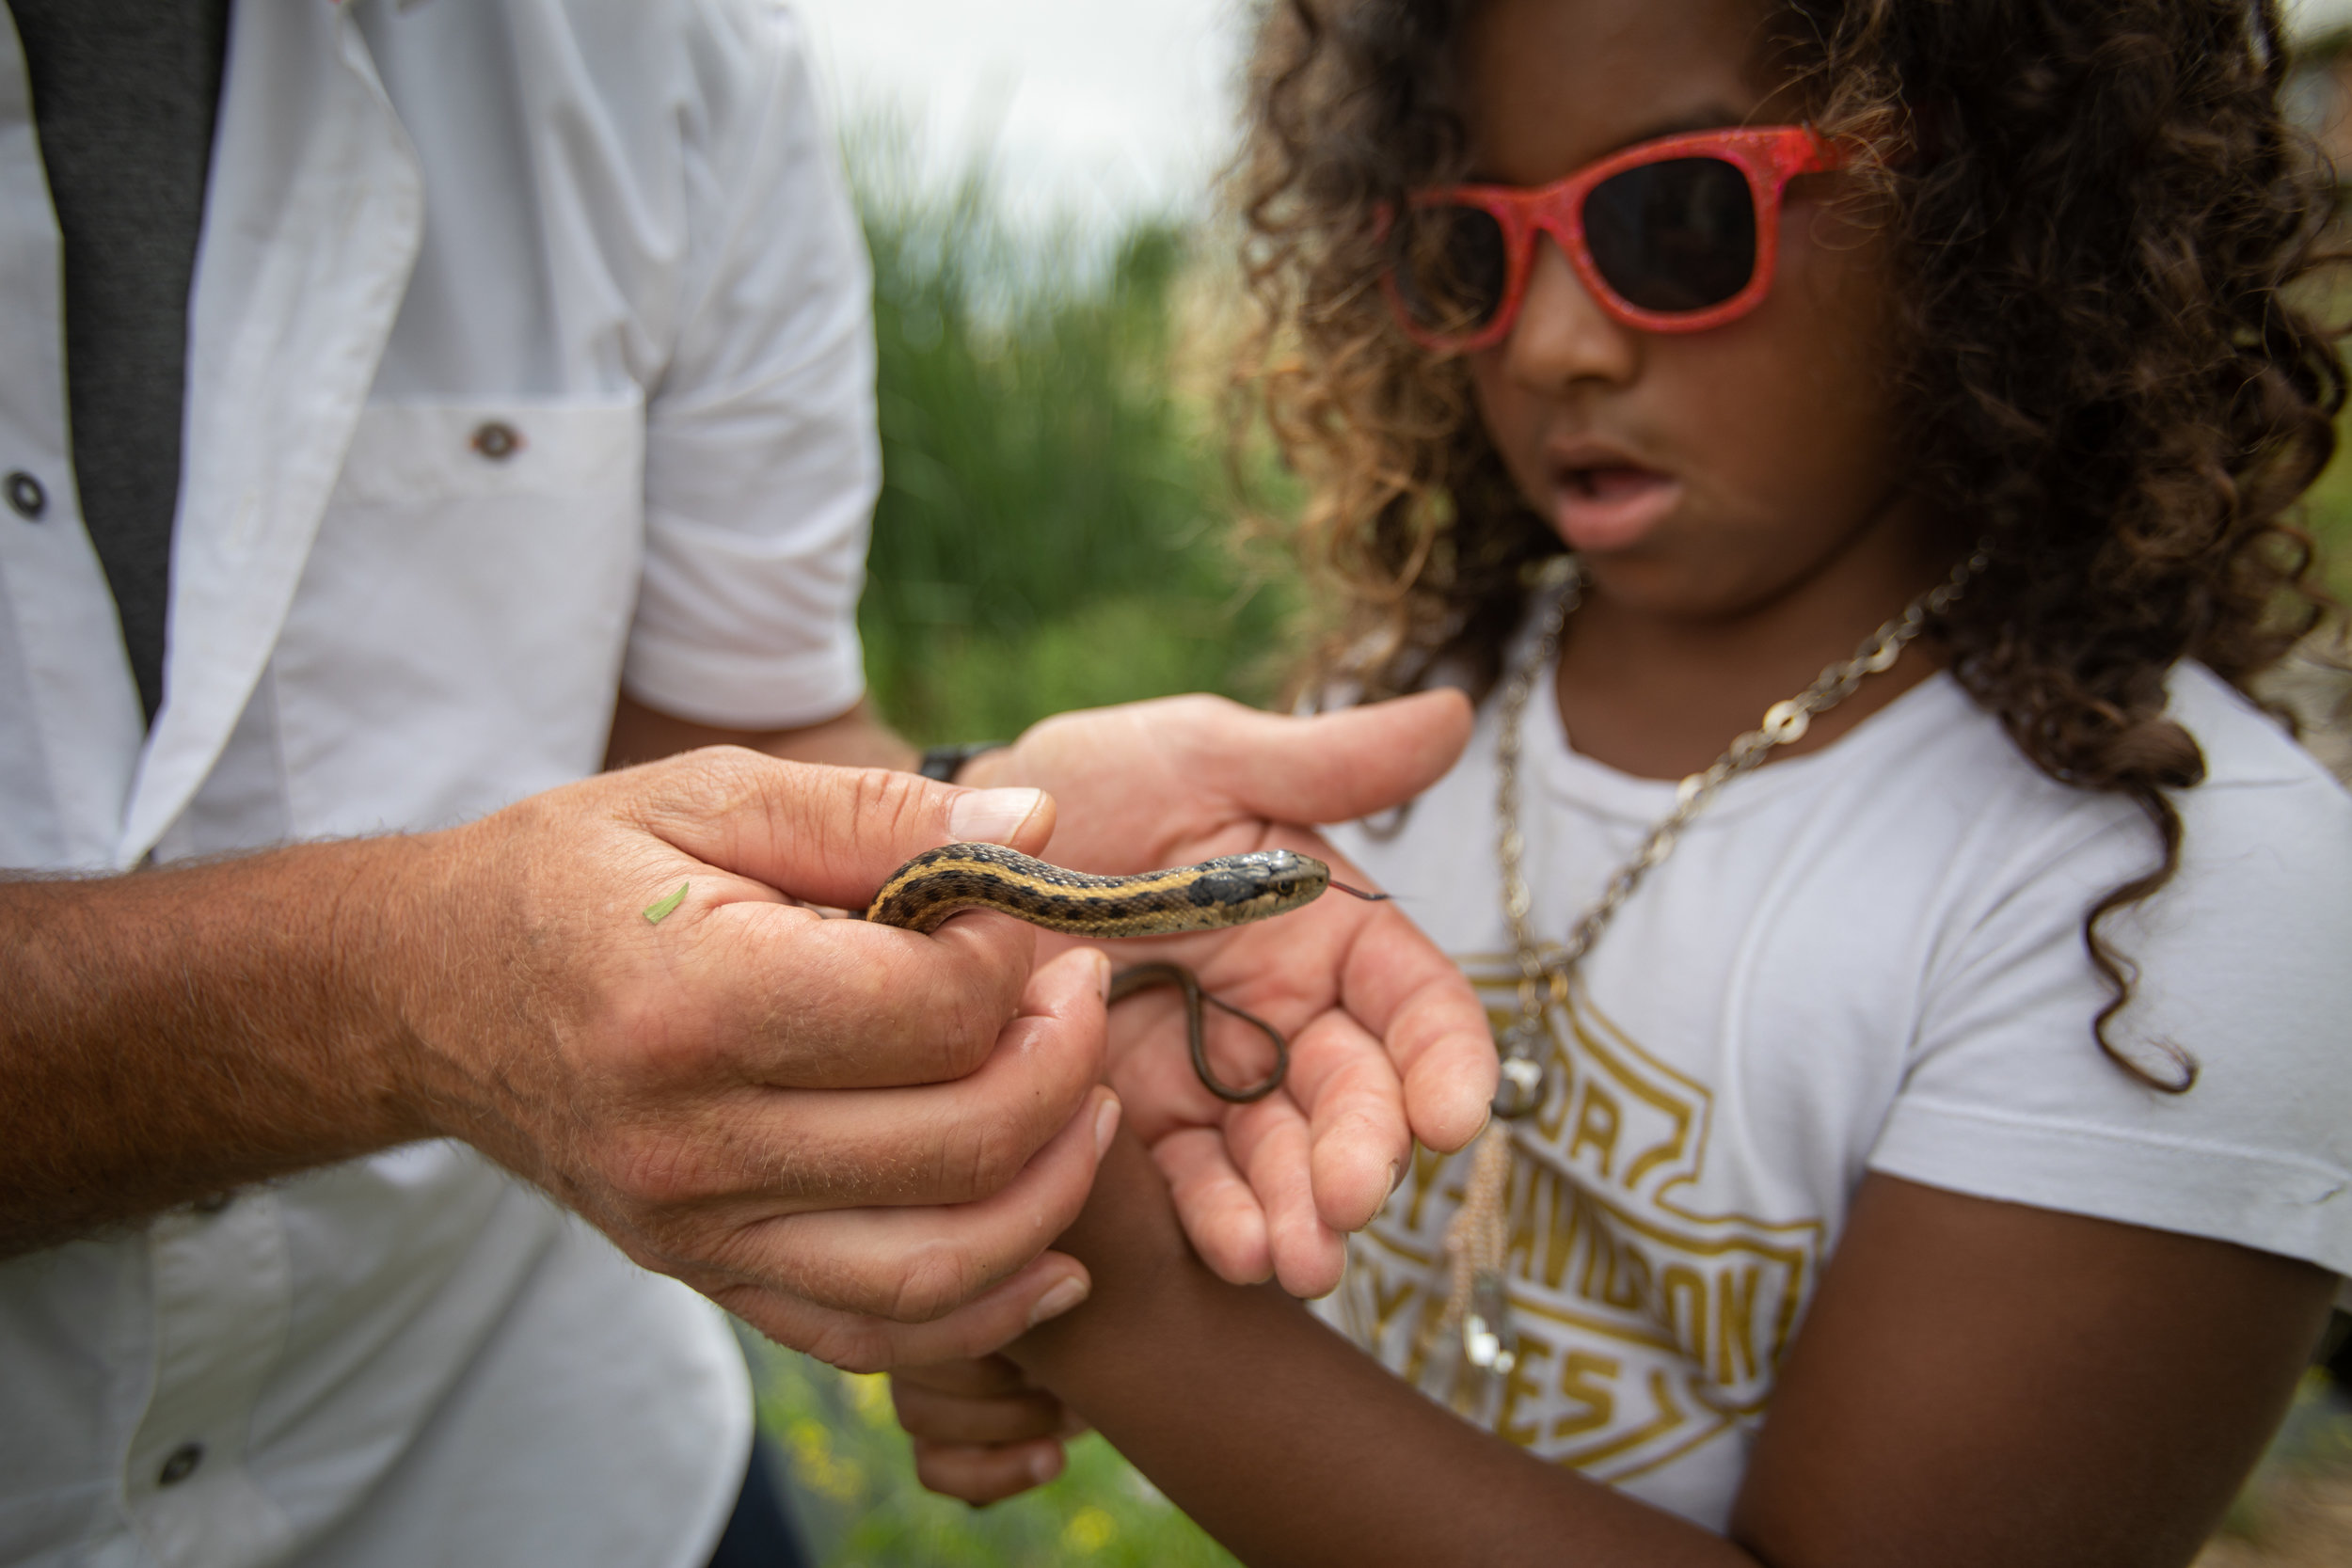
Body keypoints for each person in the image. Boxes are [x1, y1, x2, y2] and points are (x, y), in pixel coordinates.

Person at [0, 2, 1498, 1563]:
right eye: (1252, 886)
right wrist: (412, 988)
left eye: (1251, 889)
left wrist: (962, 796)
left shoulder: (675, 54)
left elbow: (728, 754)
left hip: (551, 1459)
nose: (1264, 887)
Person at [884, 0, 2352, 1561]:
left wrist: (1097, 1290)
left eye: (1676, 217)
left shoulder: (2175, 894)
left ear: (1983, 215)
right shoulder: (1395, 702)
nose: (1552, 341)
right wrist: (996, 1293)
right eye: (1469, 251)